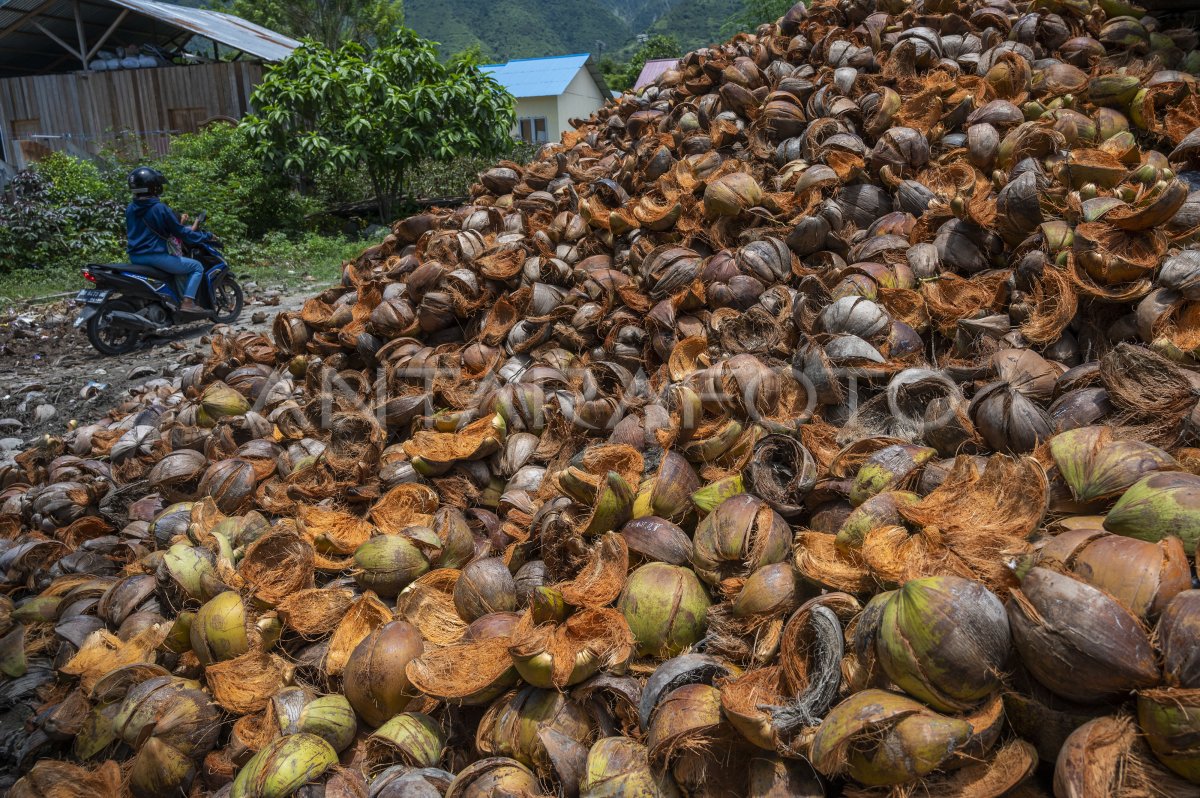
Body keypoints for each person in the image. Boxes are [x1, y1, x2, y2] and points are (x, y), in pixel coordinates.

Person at [125, 166, 212, 319]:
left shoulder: (131, 208)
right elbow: (181, 232)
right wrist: (206, 236)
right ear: (153, 186)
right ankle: (188, 303)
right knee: (196, 267)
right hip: (155, 256)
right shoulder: (159, 208)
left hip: (135, 257)